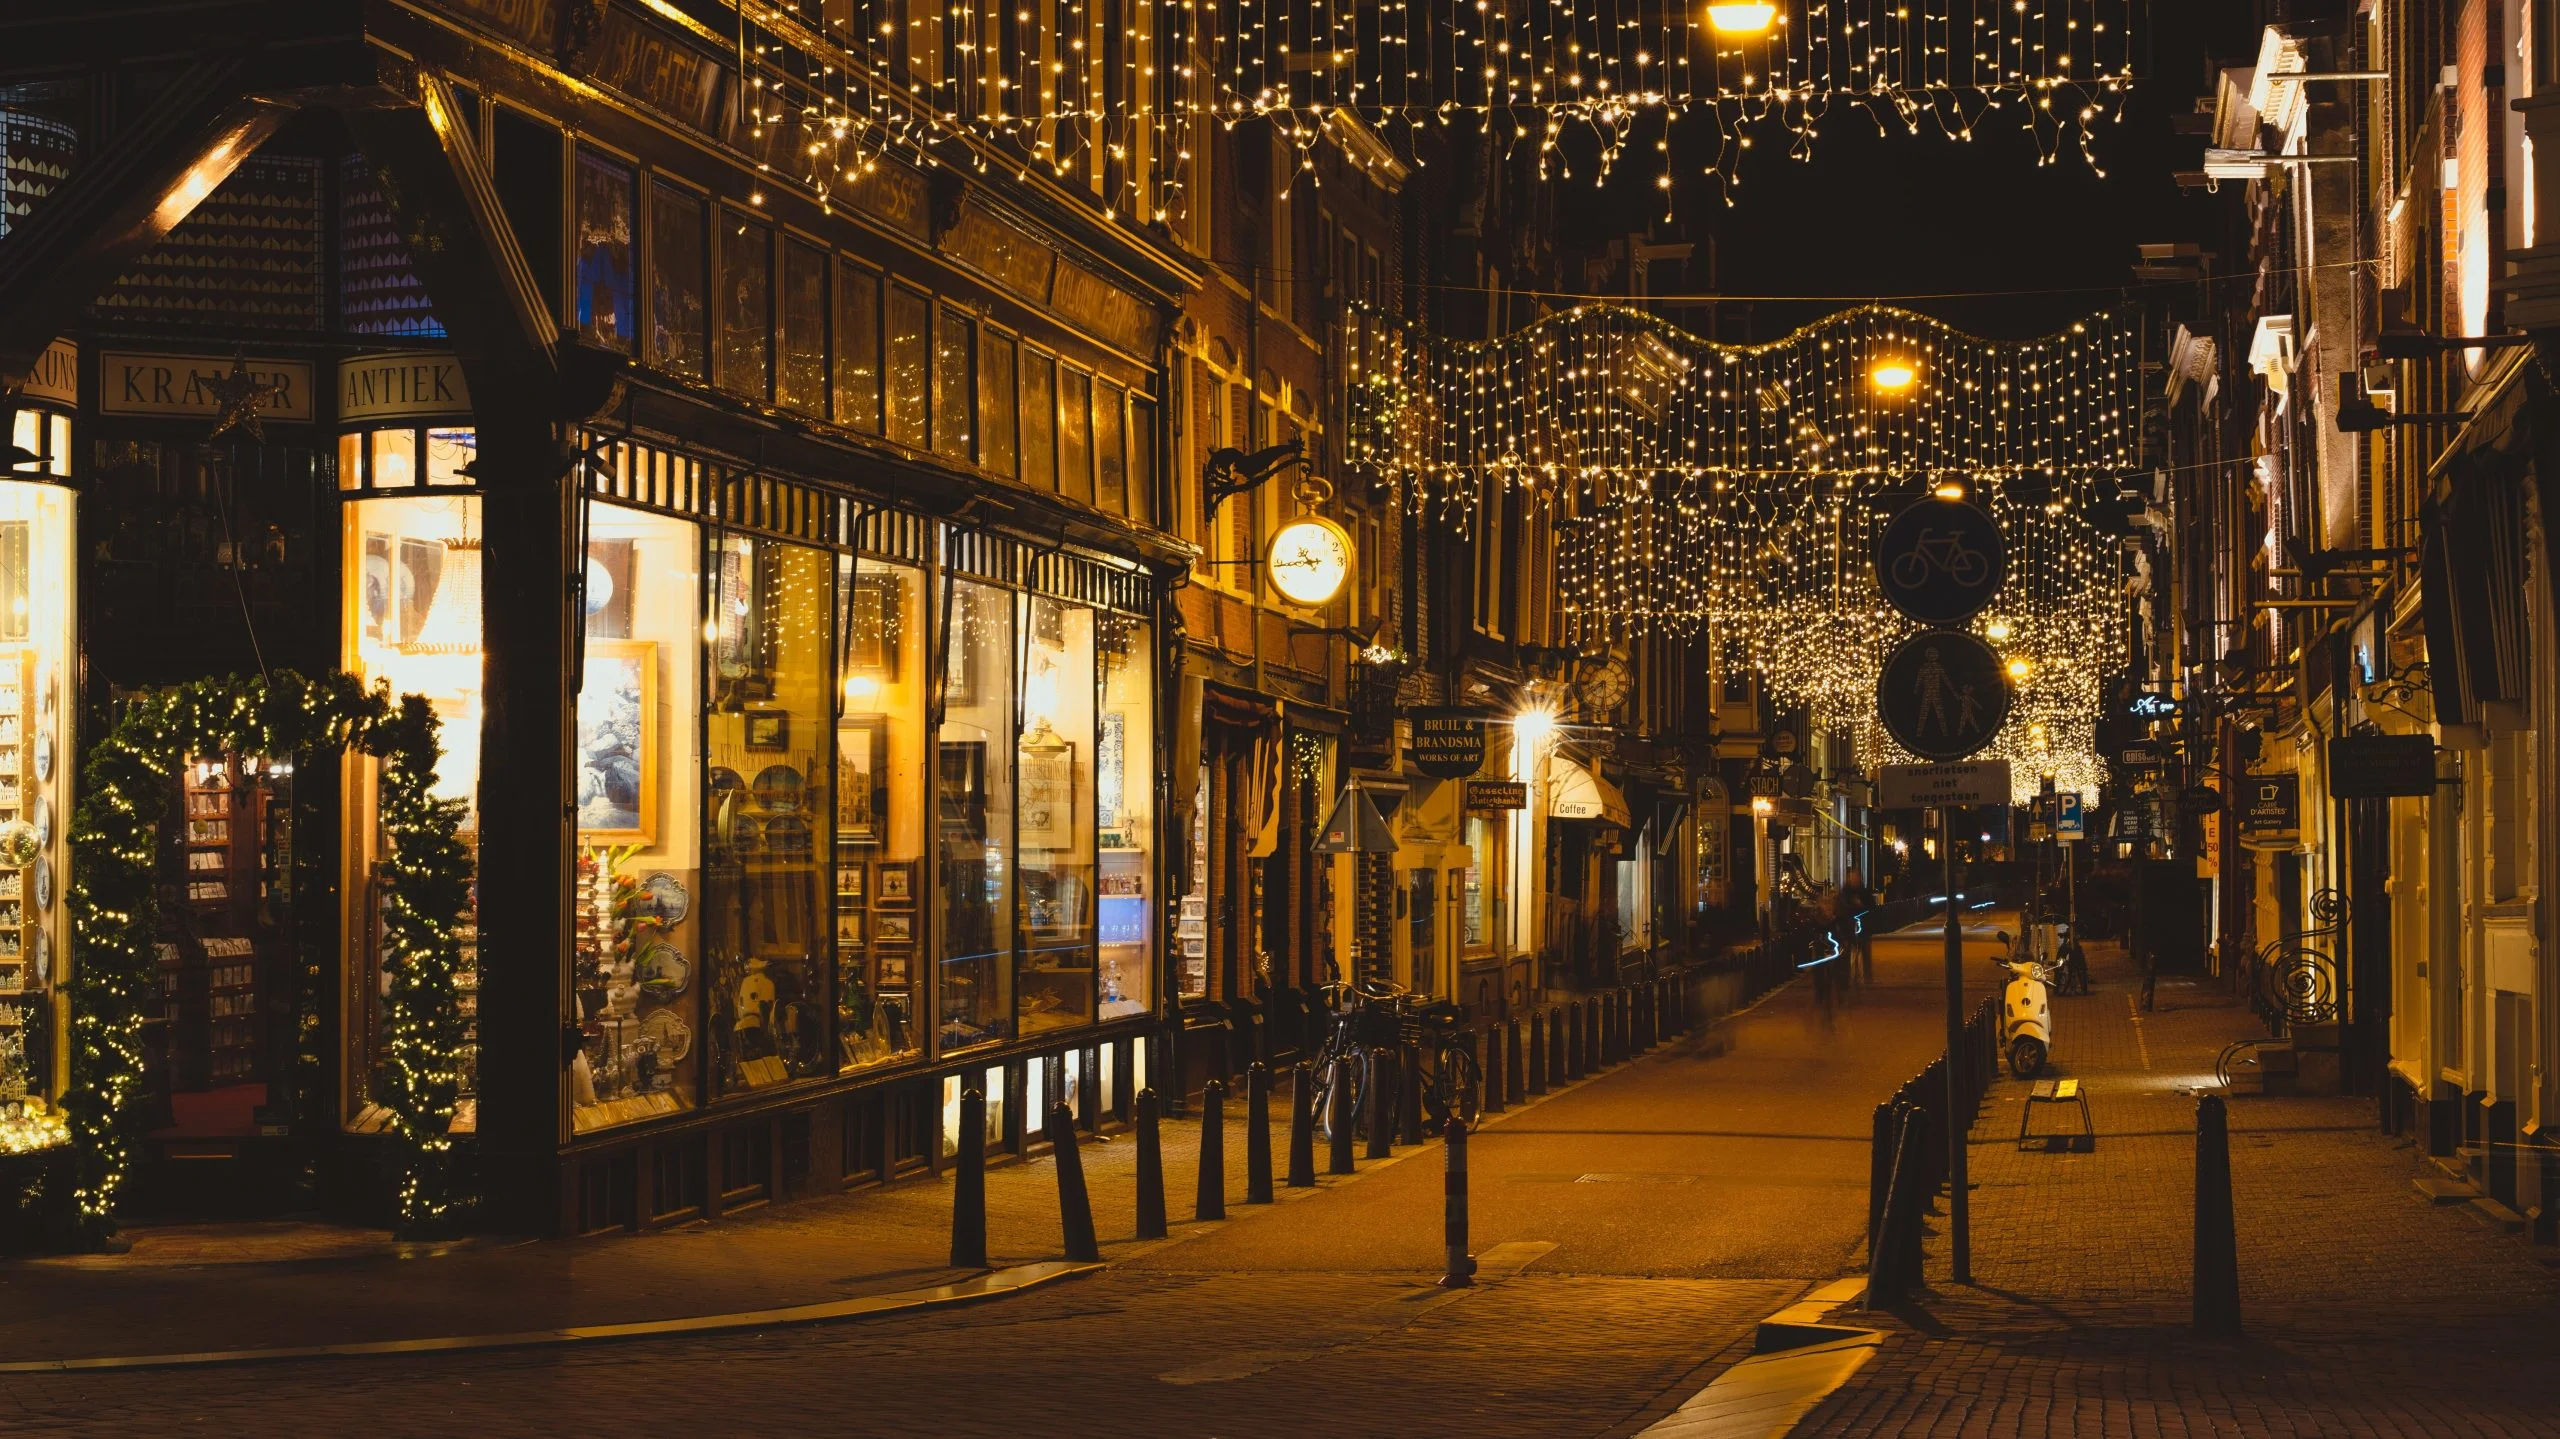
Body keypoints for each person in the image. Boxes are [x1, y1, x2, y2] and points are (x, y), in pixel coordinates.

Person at [1837, 867, 1879, 984]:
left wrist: (1862, 906)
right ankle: (1844, 977)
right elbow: (1841, 908)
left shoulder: (1864, 892)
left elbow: (1872, 908)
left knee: (1865, 950)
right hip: (1848, 926)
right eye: (1852, 877)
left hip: (1863, 926)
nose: (1854, 879)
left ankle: (1868, 977)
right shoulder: (1845, 892)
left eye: (1856, 877)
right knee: (1845, 951)